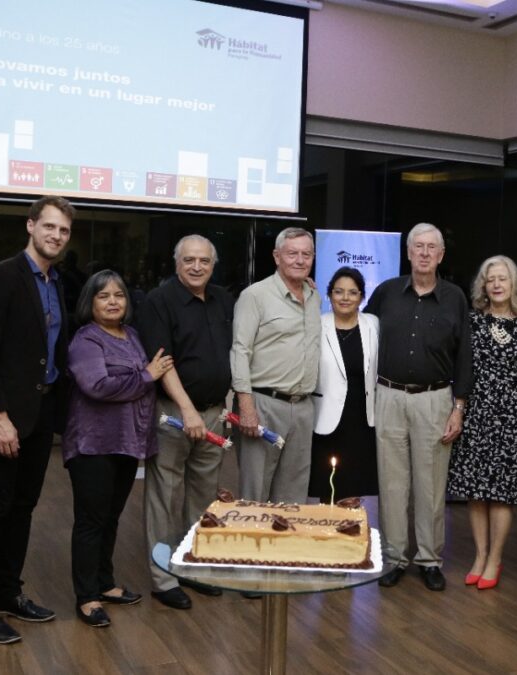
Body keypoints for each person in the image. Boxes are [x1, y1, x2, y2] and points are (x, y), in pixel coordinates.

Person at [0, 195, 74, 645]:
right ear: (30, 226)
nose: (56, 236)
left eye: (63, 231)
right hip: (4, 416)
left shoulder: (54, 282)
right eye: (49, 227)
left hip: (40, 412)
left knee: (23, 508)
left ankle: (8, 593)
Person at [366, 223, 472, 592]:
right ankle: (395, 557)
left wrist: (458, 407)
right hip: (389, 396)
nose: (424, 253)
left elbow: (465, 357)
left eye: (432, 248)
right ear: (408, 253)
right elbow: (361, 334)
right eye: (418, 247)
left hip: (435, 399)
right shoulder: (386, 293)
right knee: (392, 483)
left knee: (430, 484)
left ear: (441, 256)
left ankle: (429, 559)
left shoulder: (455, 297)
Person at [63, 270, 173, 627]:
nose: (113, 302)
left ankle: (105, 583)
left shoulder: (133, 335)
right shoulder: (86, 340)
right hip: (93, 445)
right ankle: (86, 597)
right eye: (103, 296)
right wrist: (146, 376)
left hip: (127, 442)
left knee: (110, 518)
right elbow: (97, 386)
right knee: (91, 522)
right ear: (90, 303)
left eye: (119, 295)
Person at [137, 235, 235, 610]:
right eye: (189, 260)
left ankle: (194, 566)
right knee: (163, 497)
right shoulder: (158, 302)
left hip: (214, 413)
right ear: (177, 263)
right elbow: (163, 362)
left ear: (213, 265)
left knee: (203, 499)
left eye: (204, 261)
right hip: (175, 414)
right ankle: (163, 578)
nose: (197, 267)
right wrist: (188, 410)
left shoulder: (224, 299)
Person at [447, 255, 517, 590]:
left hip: (513, 415)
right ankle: (479, 555)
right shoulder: (471, 322)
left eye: (503, 278)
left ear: (514, 284)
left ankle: (495, 559)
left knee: (502, 492)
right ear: (483, 286)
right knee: (475, 490)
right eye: (491, 279)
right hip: (476, 412)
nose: (497, 284)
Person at [230, 227, 321, 504]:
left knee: (293, 494)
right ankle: (252, 546)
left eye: (306, 254)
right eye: (292, 253)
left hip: (304, 407)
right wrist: (246, 407)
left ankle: (284, 547)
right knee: (255, 492)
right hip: (263, 404)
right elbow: (239, 351)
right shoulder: (255, 296)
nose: (300, 260)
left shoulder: (314, 296)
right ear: (276, 256)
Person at [310, 267, 379, 501]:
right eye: (339, 292)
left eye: (352, 292)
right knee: (325, 486)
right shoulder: (317, 325)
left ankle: (350, 535)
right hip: (326, 418)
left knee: (354, 485)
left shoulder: (373, 325)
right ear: (329, 295)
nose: (345, 298)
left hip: (361, 418)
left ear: (362, 296)